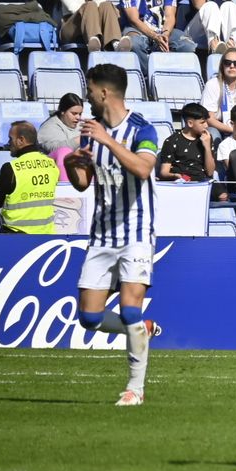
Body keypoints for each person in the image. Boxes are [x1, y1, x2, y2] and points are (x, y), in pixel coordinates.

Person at [64, 64, 160, 406]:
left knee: (130, 311)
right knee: (89, 318)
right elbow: (83, 183)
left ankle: (135, 389)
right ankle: (142, 330)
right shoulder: (91, 131)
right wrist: (72, 163)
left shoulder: (143, 129)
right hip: (102, 235)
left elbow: (143, 168)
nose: (87, 97)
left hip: (137, 231)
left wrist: (108, 141)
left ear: (104, 92)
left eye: (90, 91)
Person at [0, 121, 59, 234]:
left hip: (16, 236)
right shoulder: (51, 164)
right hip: (46, 235)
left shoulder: (11, 168)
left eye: (10, 139)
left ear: (21, 140)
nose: (8, 143)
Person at [156, 102, 215, 183]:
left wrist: (207, 147)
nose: (206, 126)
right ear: (190, 123)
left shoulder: (206, 138)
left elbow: (210, 172)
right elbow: (164, 172)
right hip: (180, 182)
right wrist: (175, 176)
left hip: (202, 182)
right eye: (202, 122)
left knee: (221, 191)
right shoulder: (172, 141)